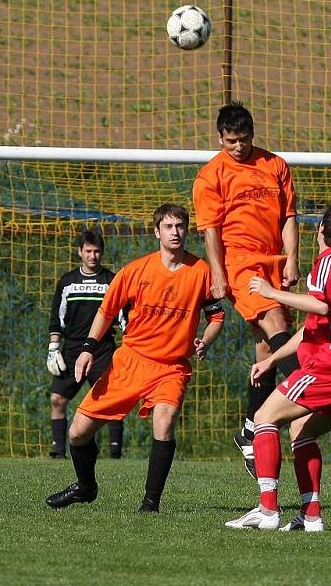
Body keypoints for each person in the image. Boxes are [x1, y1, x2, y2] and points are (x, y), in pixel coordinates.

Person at [45, 204, 225, 513]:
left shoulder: (202, 271)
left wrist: (205, 340)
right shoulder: (136, 270)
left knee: (165, 421)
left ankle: (150, 504)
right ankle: (86, 487)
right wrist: (88, 347)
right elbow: (106, 311)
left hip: (172, 368)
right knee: (76, 433)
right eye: (168, 227)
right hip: (130, 361)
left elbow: (217, 316)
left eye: (180, 226)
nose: (175, 232)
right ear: (157, 232)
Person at [224, 200, 331, 532]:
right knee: (301, 431)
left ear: (320, 230)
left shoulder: (329, 263)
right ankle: (311, 518)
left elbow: (320, 306)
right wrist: (271, 359)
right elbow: (313, 327)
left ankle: (267, 510)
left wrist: (272, 292)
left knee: (265, 419)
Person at [192, 101, 301, 479]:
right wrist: (219, 275)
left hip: (273, 260)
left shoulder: (276, 166)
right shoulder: (211, 175)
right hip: (239, 263)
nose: (237, 147)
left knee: (266, 344)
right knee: (273, 321)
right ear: (220, 138)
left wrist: (291, 258)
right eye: (229, 141)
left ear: (252, 135)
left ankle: (251, 430)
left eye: (242, 140)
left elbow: (288, 216)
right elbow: (211, 231)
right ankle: (308, 384)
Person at [46, 230, 126, 459]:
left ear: (102, 253)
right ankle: (58, 451)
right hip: (72, 350)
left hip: (102, 350)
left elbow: (124, 319)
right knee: (57, 399)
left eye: (97, 251)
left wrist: (126, 345)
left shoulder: (111, 281)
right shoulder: (67, 282)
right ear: (79, 252)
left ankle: (114, 454)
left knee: (110, 401)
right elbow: (56, 319)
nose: (93, 255)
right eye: (88, 251)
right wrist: (53, 349)